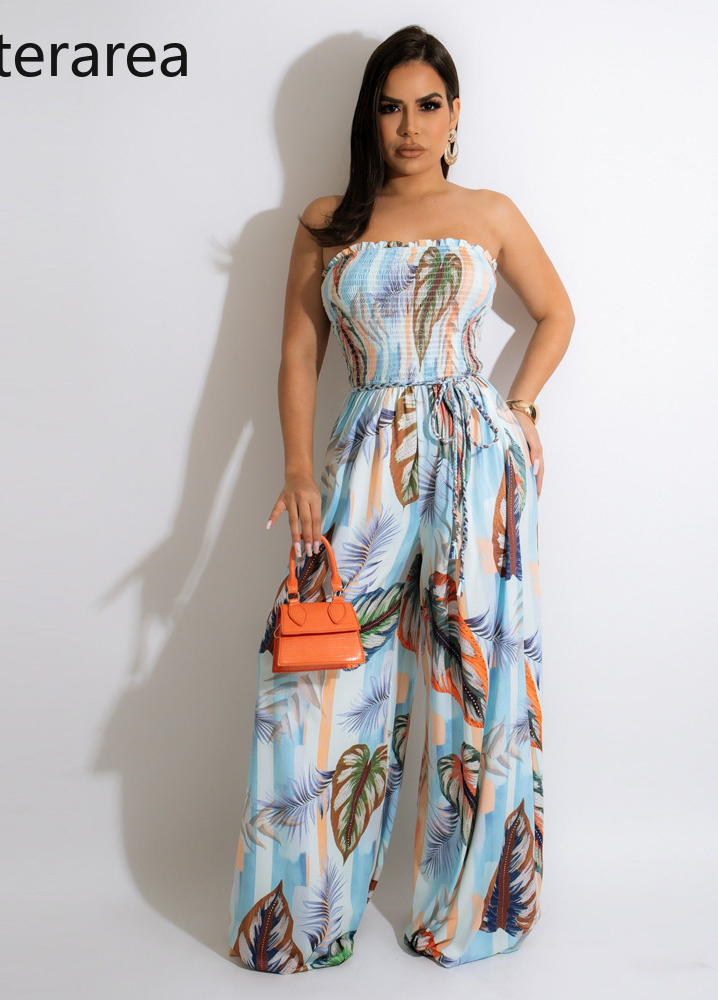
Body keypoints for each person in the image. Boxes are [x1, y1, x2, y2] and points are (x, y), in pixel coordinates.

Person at [228, 23, 575, 972]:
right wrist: (297, 470)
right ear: (369, 117)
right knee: (320, 670)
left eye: (428, 106)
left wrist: (521, 406)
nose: (410, 127)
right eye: (391, 107)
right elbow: (299, 350)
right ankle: (303, 917)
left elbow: (556, 313)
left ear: (455, 115)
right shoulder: (327, 219)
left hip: (477, 460)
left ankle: (469, 913)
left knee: (477, 673)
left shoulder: (489, 212)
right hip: (365, 457)